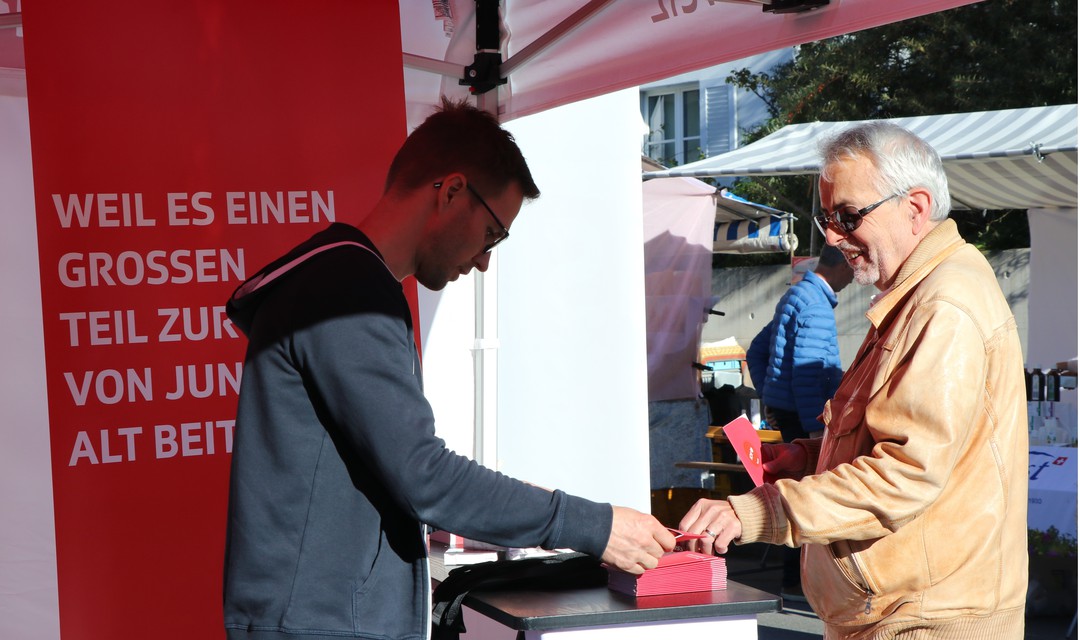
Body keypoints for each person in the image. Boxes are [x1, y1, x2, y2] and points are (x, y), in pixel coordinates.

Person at [222, 98, 675, 640]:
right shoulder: (347, 292)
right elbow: (424, 476)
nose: (484, 261)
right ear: (452, 191)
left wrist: (515, 503)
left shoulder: (345, 284)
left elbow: (397, 470)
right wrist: (593, 525)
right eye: (492, 234)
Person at [680, 121, 1028, 639]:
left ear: (915, 208)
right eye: (826, 218)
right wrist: (809, 456)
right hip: (907, 609)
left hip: (924, 618)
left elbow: (906, 472)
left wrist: (760, 511)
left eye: (847, 216)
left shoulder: (943, 303)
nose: (833, 236)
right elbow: (908, 441)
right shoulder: (922, 291)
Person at [745, 243, 853, 600]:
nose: (855, 277)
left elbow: (757, 351)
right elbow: (808, 373)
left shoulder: (796, 295)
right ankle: (798, 581)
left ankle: (793, 579)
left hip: (790, 412)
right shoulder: (816, 305)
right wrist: (815, 429)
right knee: (805, 497)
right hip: (807, 419)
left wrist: (770, 394)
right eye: (853, 267)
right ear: (843, 266)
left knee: (792, 490)